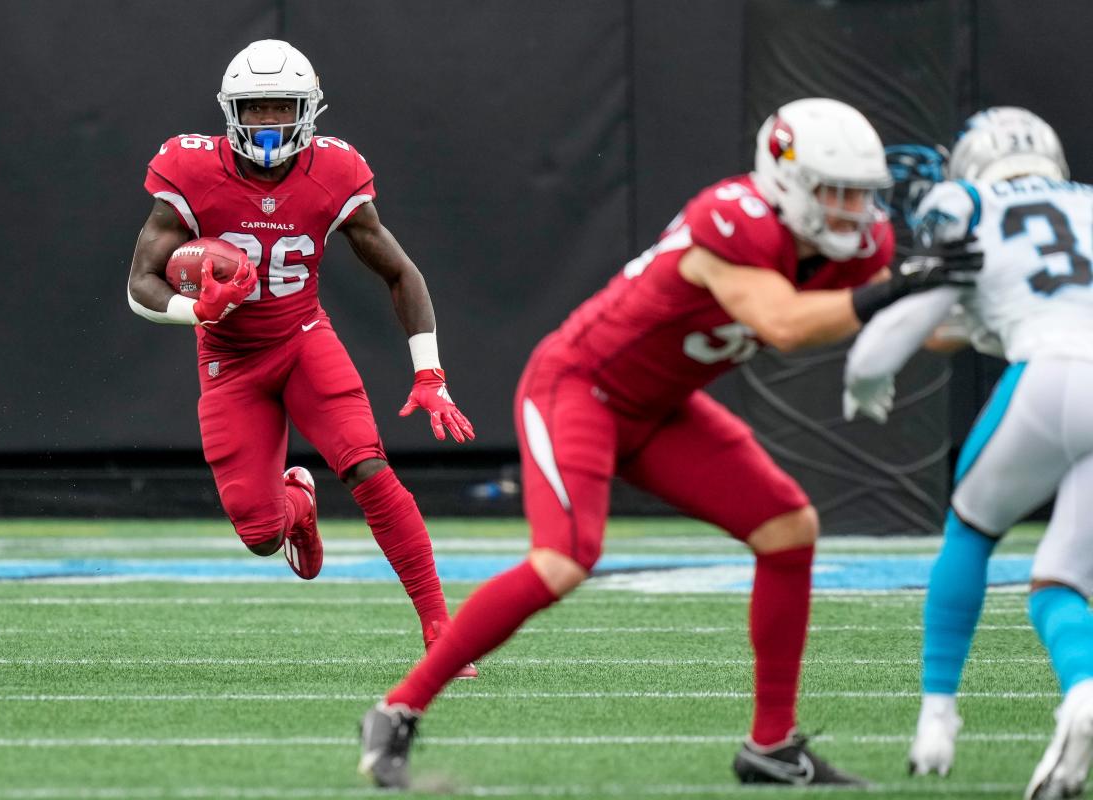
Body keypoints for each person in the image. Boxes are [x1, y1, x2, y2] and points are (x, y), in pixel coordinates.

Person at [358, 97, 982, 789]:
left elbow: (920, 326)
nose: (852, 212)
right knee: (565, 559)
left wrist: (989, 308)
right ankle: (399, 709)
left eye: (862, 196)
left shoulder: (867, 248)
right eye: (835, 192)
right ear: (786, 181)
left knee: (787, 528)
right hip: (579, 387)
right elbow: (782, 323)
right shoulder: (733, 218)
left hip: (658, 408)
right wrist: (901, 290)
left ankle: (771, 747)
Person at [126, 39, 476, 670]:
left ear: (307, 109)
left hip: (302, 341)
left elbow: (402, 274)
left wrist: (430, 373)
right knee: (260, 534)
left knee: (369, 467)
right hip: (229, 360)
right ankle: (299, 508)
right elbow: (141, 284)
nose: (267, 124)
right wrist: (196, 311)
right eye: (254, 109)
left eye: (280, 107)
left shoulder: (334, 172)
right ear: (231, 111)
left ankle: (439, 629)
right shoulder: (191, 168)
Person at [844, 107, 1093, 799]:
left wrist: (866, 375)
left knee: (972, 532)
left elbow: (921, 312)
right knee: (1063, 580)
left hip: (1046, 377)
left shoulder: (967, 202)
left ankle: (936, 718)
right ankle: (1084, 693)